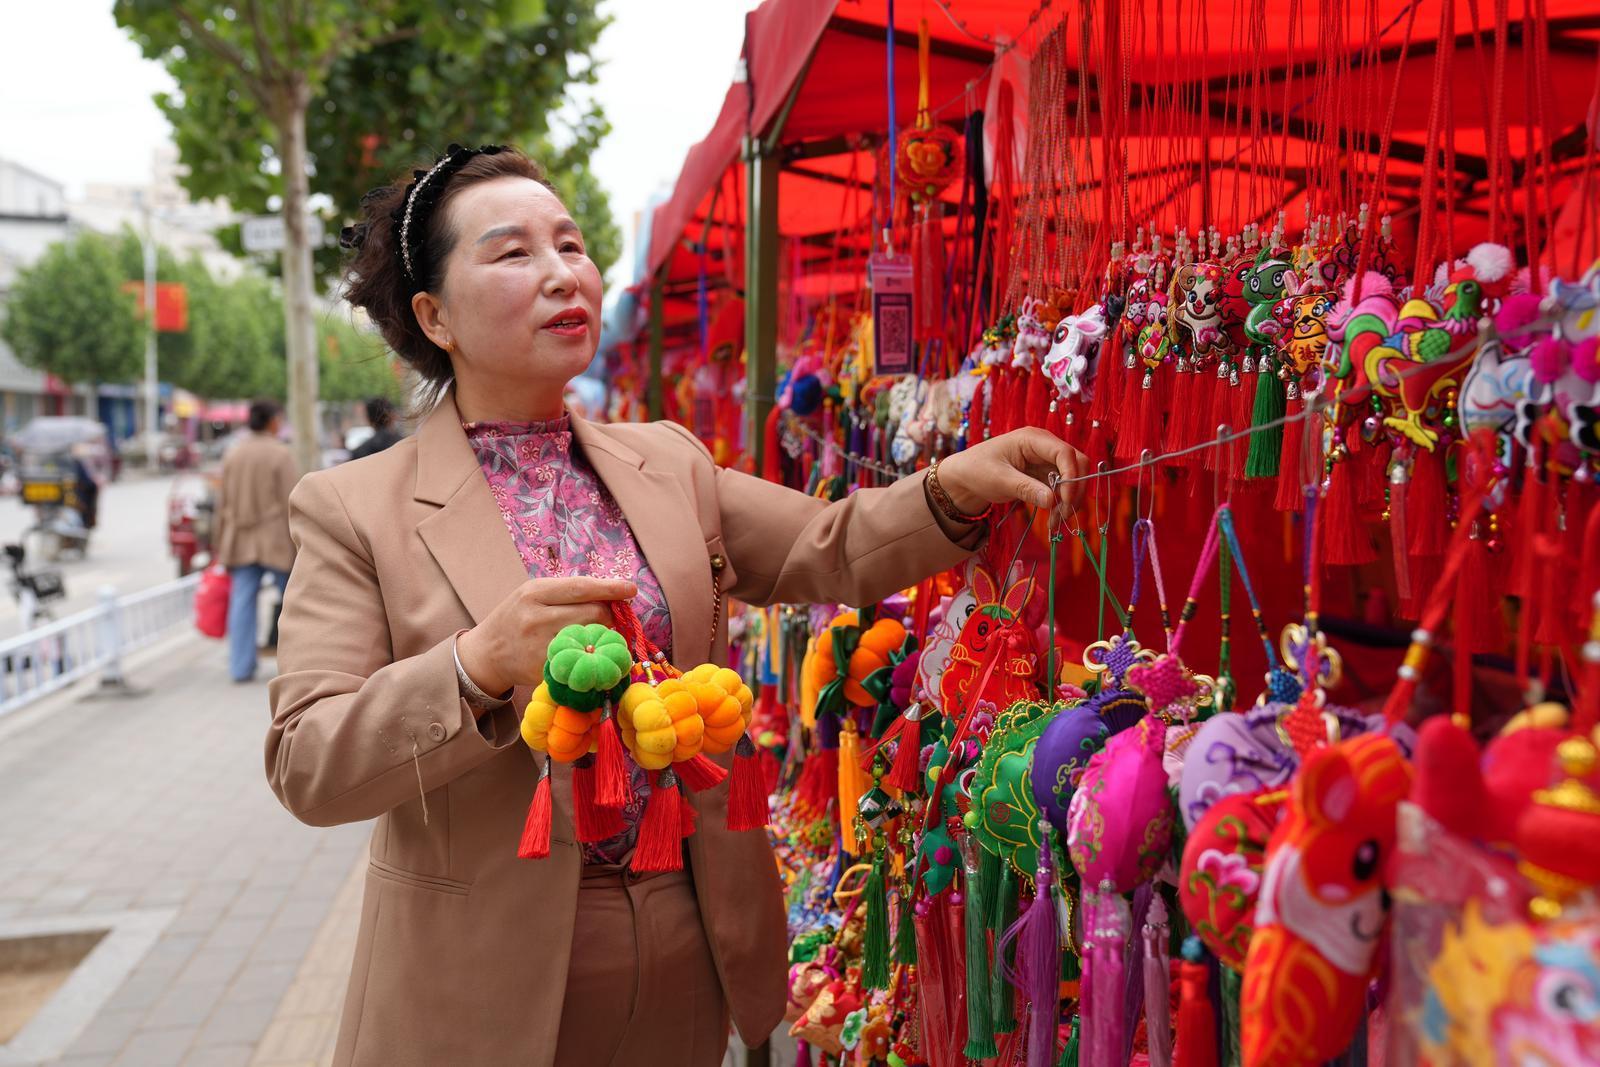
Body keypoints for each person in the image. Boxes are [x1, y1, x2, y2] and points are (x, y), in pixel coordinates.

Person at [266, 144, 1088, 1067]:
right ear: (434, 315)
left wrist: (953, 488)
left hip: (685, 933)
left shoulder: (666, 460)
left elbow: (831, 545)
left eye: (570, 245)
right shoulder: (352, 507)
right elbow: (307, 757)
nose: (561, 274)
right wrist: (476, 664)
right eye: (512, 254)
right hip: (484, 975)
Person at [215, 398, 297, 683]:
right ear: (273, 421)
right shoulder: (280, 454)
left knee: (242, 603)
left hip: (240, 537)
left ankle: (240, 667)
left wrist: (219, 543)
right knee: (294, 604)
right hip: (275, 539)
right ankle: (298, 666)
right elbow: (293, 500)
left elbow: (221, 503)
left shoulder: (233, 454)